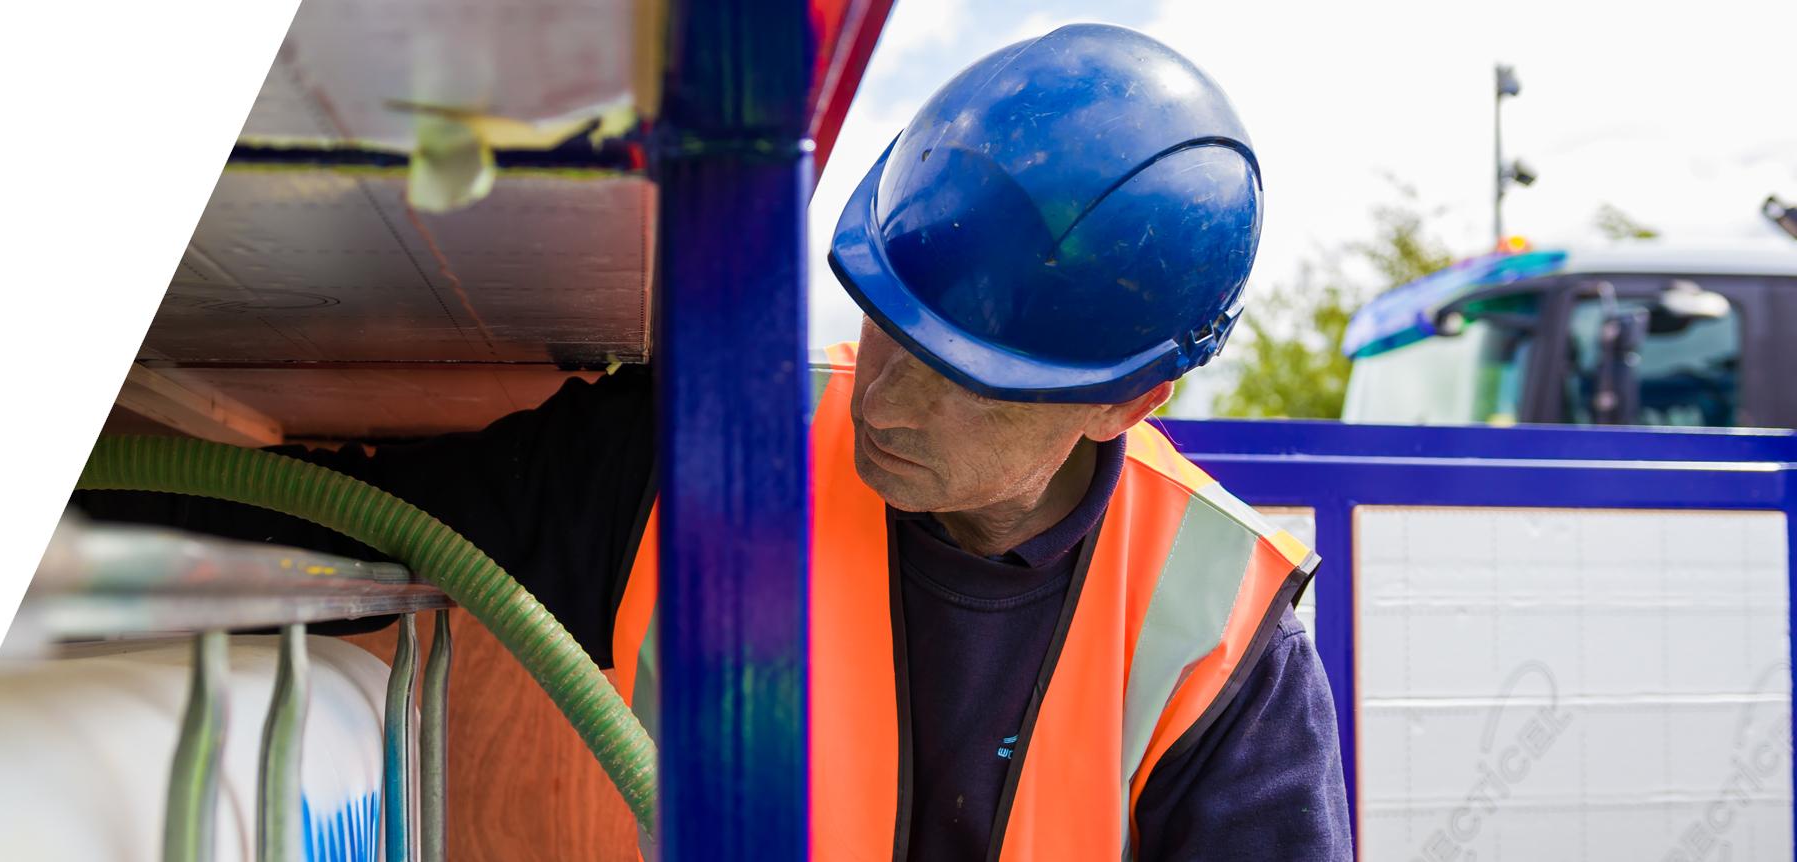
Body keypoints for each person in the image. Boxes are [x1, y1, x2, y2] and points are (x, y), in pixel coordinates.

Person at [78, 23, 1351, 861]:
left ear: (1125, 405)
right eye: (881, 323)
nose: (887, 402)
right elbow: (346, 522)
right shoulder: (705, 454)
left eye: (971, 381)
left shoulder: (1218, 633)